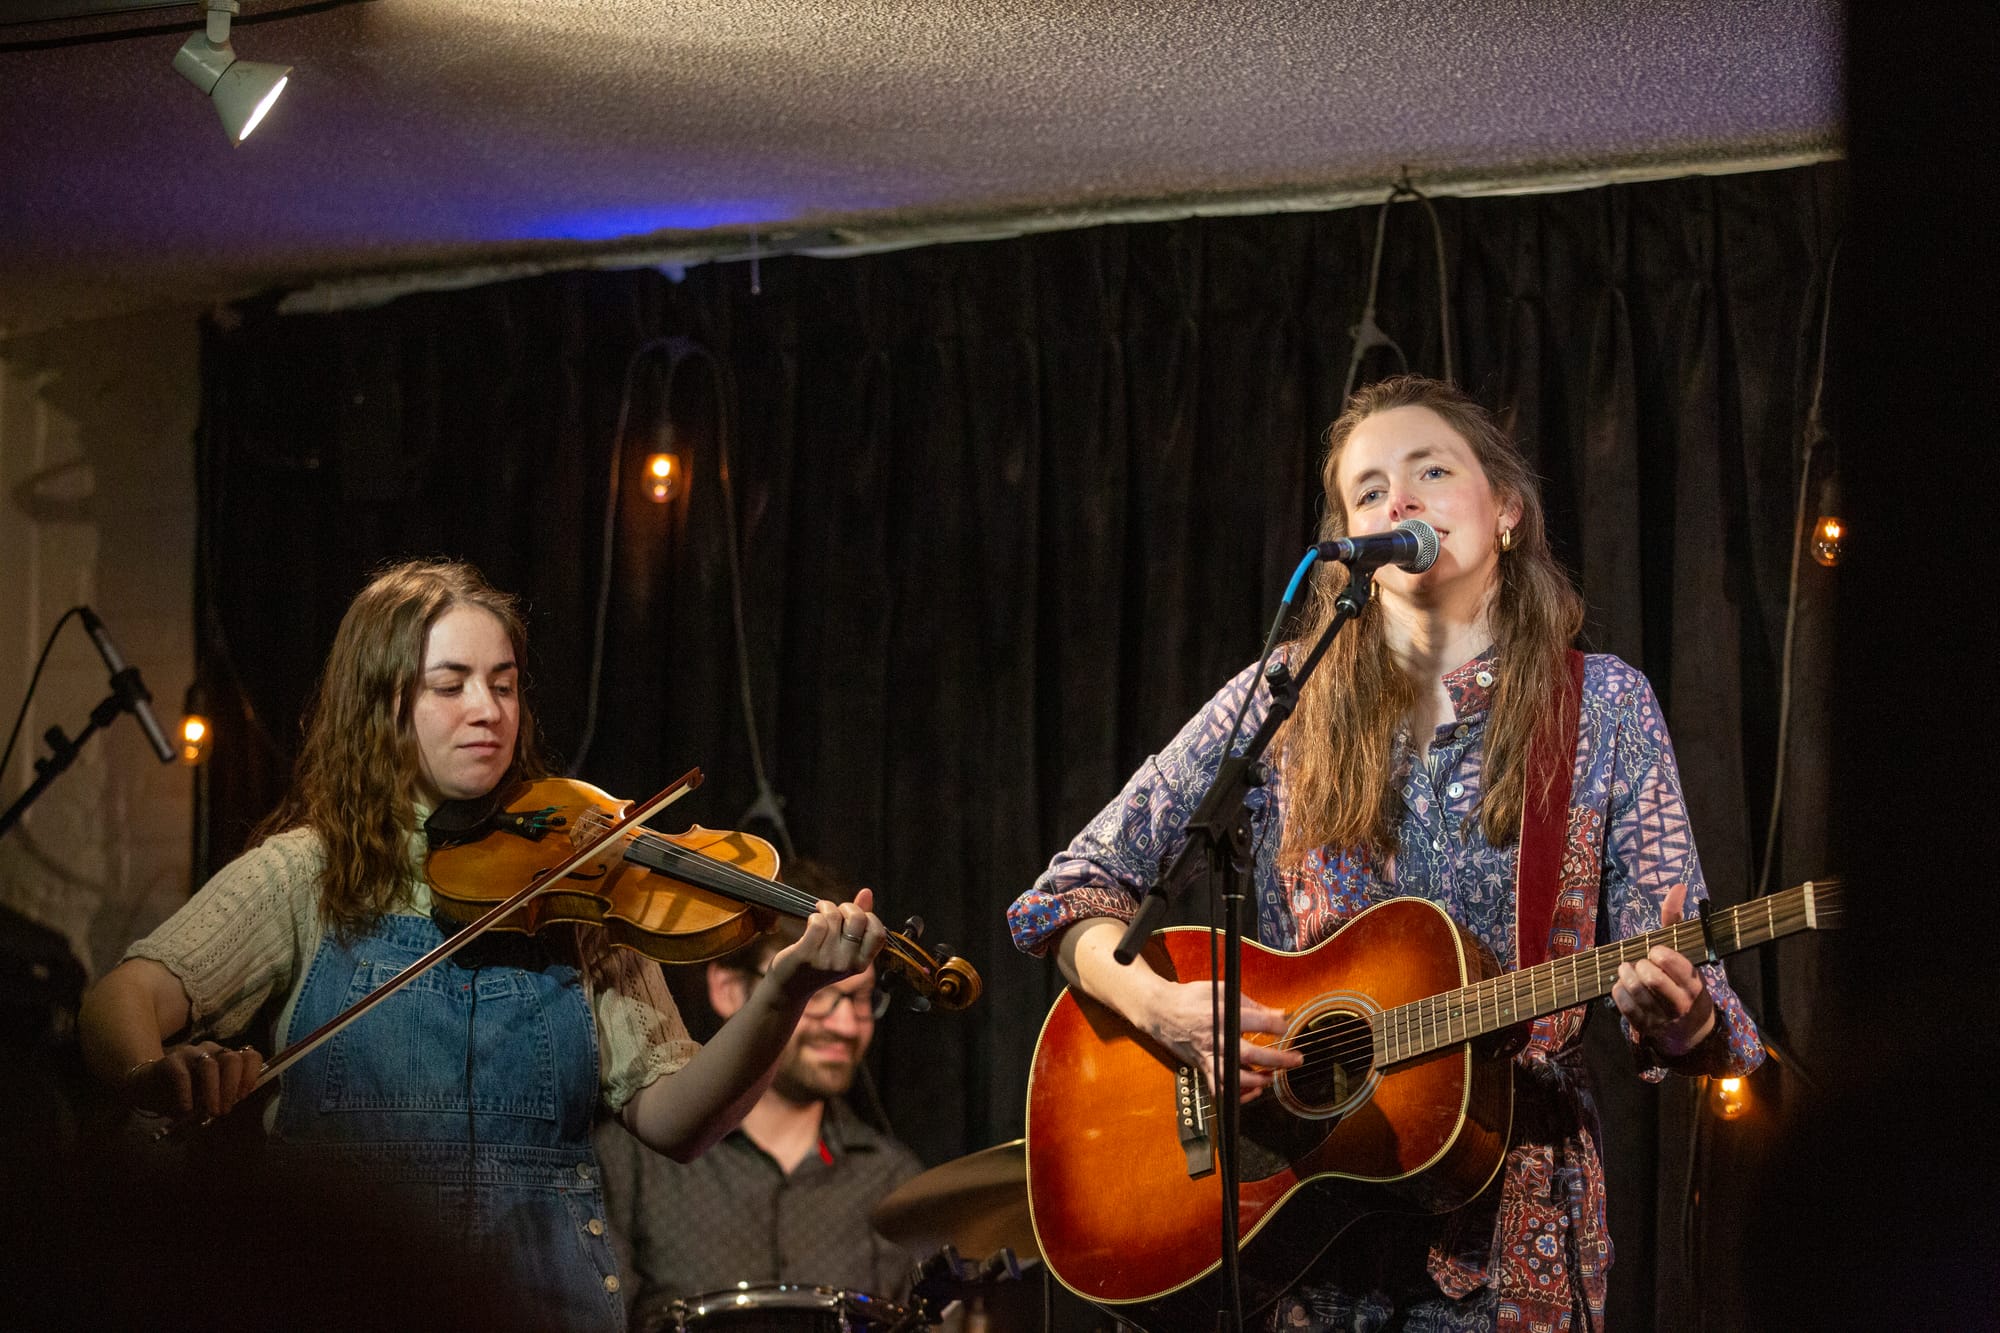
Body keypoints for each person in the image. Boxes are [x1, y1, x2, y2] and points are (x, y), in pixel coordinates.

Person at [1007, 375, 1764, 1332]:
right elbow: (1066, 894)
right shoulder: (1284, 698)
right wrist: (1162, 1008)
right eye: (1368, 491)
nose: (1396, 502)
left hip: (1507, 1250)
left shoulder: (1603, 706)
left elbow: (1716, 1018)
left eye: (1431, 471)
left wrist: (1682, 1017)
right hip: (1301, 1250)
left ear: (1509, 511)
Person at [75, 559, 886, 1333]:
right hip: (343, 1299)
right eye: (450, 684)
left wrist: (785, 990)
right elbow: (123, 996)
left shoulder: (579, 882)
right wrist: (152, 1068)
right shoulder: (311, 871)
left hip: (539, 1300)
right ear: (382, 703)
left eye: (503, 684)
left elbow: (676, 1118)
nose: (489, 709)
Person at [593, 859, 924, 1331]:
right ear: (728, 990)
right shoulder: (631, 1164)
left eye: (860, 999)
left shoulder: (893, 1181)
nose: (847, 1025)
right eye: (817, 994)